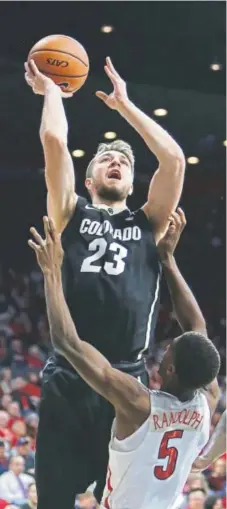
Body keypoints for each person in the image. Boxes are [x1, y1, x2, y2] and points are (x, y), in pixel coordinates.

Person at [25, 55, 186, 507]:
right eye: (107, 159)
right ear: (90, 177)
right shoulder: (70, 212)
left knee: (124, 500)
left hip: (125, 379)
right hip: (69, 374)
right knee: (53, 499)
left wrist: (126, 107)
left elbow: (172, 160)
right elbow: (55, 140)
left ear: (132, 183)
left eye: (123, 162)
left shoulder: (148, 223)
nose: (116, 162)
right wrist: (53, 91)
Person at [28, 213, 220, 509]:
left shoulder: (140, 404)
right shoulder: (208, 401)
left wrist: (52, 273)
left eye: (171, 346)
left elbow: (68, 343)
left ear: (169, 368)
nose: (167, 345)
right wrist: (167, 259)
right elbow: (198, 329)